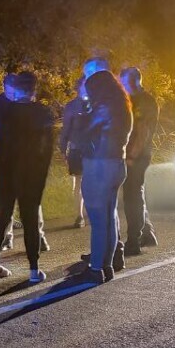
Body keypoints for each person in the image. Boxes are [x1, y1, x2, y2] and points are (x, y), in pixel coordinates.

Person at [0, 71, 55, 283]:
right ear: (34, 89)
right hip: (31, 172)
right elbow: (47, 149)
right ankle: (34, 270)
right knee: (30, 219)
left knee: (2, 217)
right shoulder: (43, 113)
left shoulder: (5, 111)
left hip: (5, 170)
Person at [71, 57, 132, 284]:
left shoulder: (102, 108)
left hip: (99, 166)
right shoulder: (122, 105)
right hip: (117, 163)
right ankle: (107, 265)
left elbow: (83, 134)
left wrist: (80, 117)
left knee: (98, 221)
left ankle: (96, 268)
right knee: (110, 216)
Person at [119, 67, 160, 256]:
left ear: (134, 81)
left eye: (125, 83)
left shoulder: (145, 101)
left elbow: (143, 132)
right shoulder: (132, 99)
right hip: (132, 155)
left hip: (137, 157)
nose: (123, 86)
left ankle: (133, 241)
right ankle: (146, 232)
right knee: (135, 194)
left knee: (132, 196)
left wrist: (132, 156)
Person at [59, 80, 88, 229]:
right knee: (78, 183)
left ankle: (95, 212)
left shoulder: (96, 104)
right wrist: (63, 149)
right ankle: (79, 215)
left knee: (94, 182)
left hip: (94, 150)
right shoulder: (71, 107)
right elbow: (66, 129)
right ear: (78, 88)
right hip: (77, 150)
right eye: (84, 85)